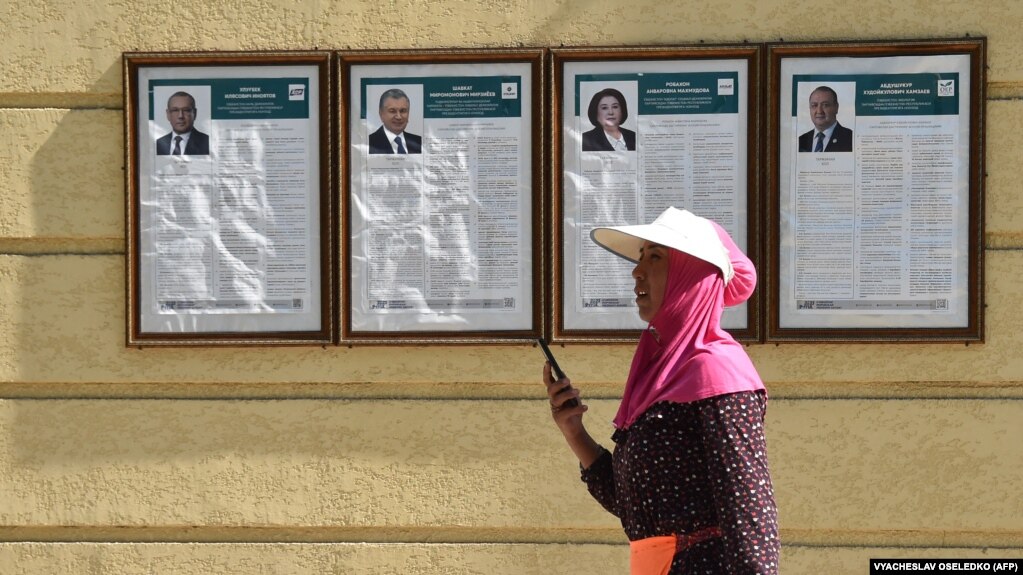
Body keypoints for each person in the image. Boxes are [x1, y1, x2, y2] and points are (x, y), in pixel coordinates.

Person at [543, 207, 779, 574]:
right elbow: (636, 506)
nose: (637, 271)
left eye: (655, 256)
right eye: (640, 258)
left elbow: (749, 514)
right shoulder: (660, 376)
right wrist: (574, 431)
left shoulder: (718, 372)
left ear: (694, 276)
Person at [798, 85, 852, 153]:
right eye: (814, 105)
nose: (819, 111)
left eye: (825, 105)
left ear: (836, 107)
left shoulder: (851, 139)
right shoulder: (801, 141)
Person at [368, 88, 422, 154]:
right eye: (392, 111)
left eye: (403, 111)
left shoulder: (419, 142)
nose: (398, 117)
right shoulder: (368, 143)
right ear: (381, 114)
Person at [156, 91, 210, 155]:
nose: (180, 116)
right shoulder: (158, 143)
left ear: (195, 113)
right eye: (175, 110)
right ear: (168, 114)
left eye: (186, 110)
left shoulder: (207, 142)